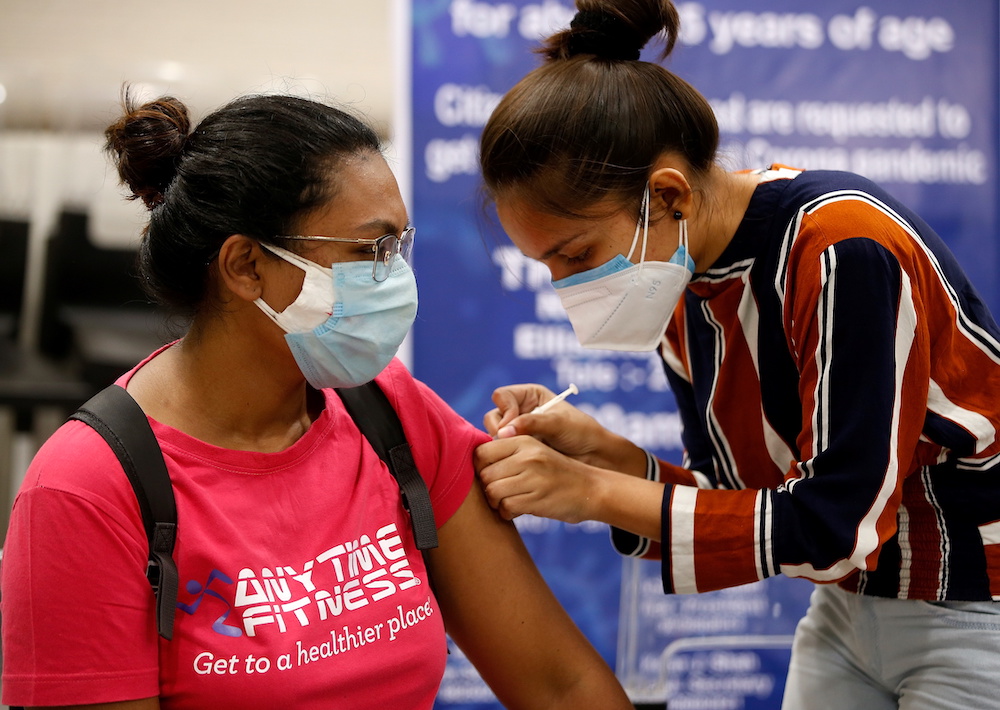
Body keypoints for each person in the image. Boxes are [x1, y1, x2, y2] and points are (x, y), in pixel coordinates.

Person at [0, 90, 634, 710]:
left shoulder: (392, 416)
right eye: (368, 251)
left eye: (399, 247)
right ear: (247, 266)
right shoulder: (87, 490)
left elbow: (561, 686)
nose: (395, 278)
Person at [472, 1, 1000, 708]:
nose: (567, 288)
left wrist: (592, 492)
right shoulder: (680, 282)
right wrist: (600, 454)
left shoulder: (841, 249)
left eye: (574, 254)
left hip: (974, 610)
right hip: (845, 613)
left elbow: (836, 526)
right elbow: (737, 496)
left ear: (667, 194)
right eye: (546, 265)